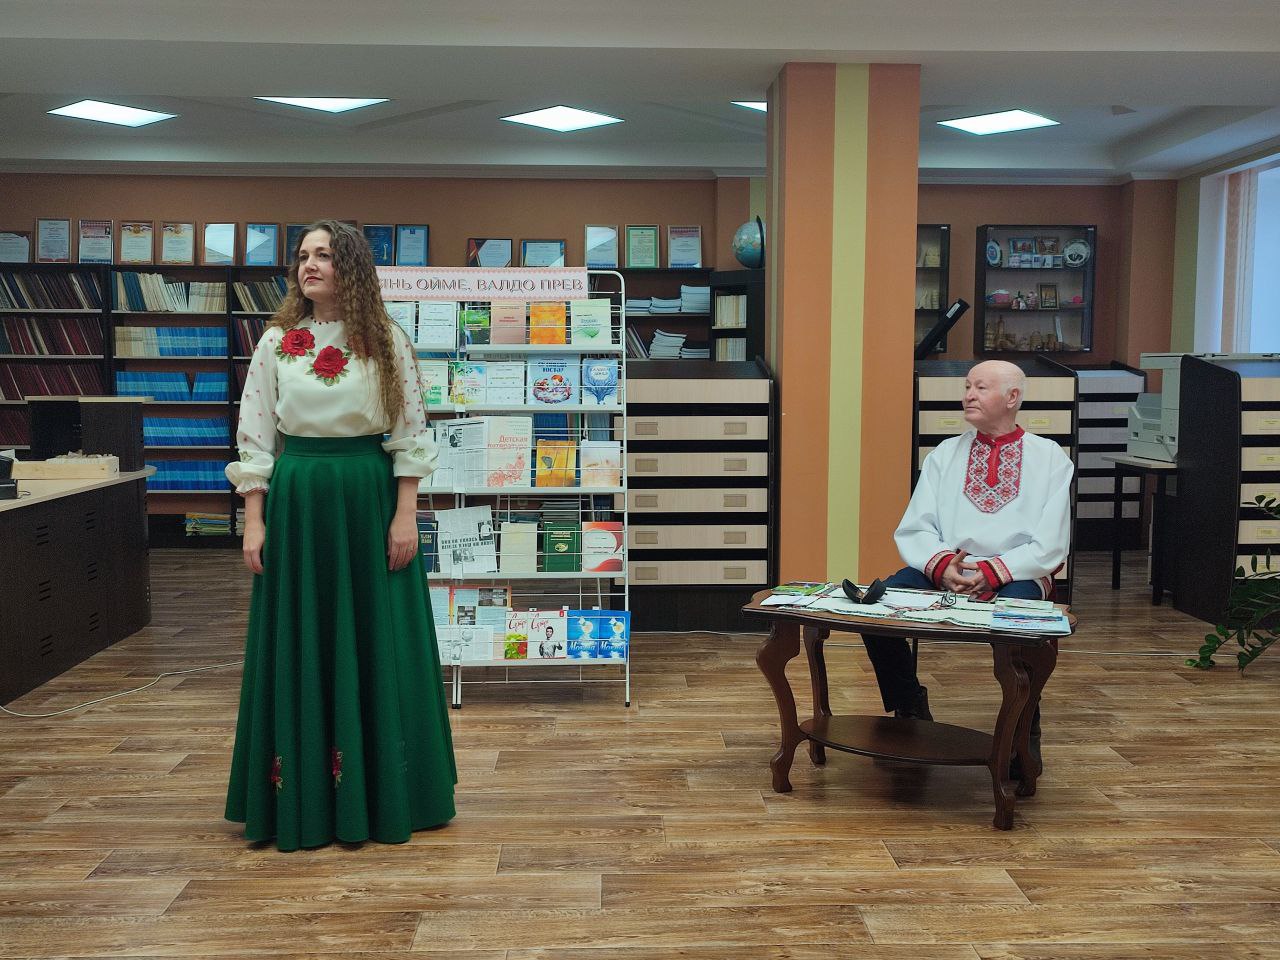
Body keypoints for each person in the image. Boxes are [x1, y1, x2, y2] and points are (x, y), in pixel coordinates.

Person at [224, 219, 455, 851]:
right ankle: (300, 795)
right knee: (301, 634)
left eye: (324, 255)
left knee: (379, 637)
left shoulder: (385, 340)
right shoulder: (276, 343)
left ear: (350, 266)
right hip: (299, 501)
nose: (310, 265)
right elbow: (255, 437)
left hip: (366, 497)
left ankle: (385, 792)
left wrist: (405, 514)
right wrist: (254, 519)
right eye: (303, 255)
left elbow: (409, 432)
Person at [860, 359, 1073, 723]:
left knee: (1019, 628)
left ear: (1012, 397)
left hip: (1018, 573)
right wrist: (944, 567)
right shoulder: (944, 454)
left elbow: (1051, 542)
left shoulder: (1050, 457)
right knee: (877, 612)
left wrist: (992, 572)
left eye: (980, 388)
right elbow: (916, 527)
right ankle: (909, 705)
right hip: (944, 568)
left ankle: (1023, 727)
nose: (968, 396)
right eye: (967, 387)